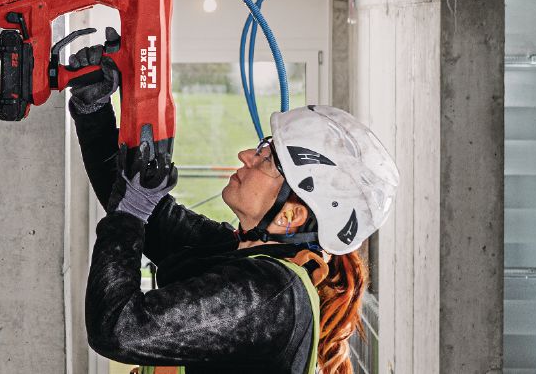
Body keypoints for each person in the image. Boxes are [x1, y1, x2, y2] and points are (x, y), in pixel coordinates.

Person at [67, 38, 399, 374]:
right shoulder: (237, 252)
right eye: (263, 148)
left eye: (267, 160)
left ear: (290, 214)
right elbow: (145, 212)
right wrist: (93, 109)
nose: (246, 156)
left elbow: (118, 330)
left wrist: (132, 211)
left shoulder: (269, 295)